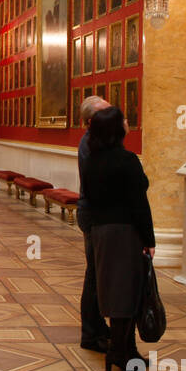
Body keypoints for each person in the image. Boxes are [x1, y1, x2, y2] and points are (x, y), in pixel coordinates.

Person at [79, 106, 155, 371]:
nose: (127, 122)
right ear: (116, 128)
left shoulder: (92, 162)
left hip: (100, 231)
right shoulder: (127, 160)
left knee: (112, 289)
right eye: (124, 120)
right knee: (128, 291)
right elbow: (139, 204)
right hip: (124, 232)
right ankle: (122, 352)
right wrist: (149, 239)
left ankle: (123, 349)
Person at [76, 94, 110, 352]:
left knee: (99, 274)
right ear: (90, 121)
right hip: (96, 216)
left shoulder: (98, 142)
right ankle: (91, 332)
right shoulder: (91, 144)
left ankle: (98, 328)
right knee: (95, 275)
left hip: (99, 215)